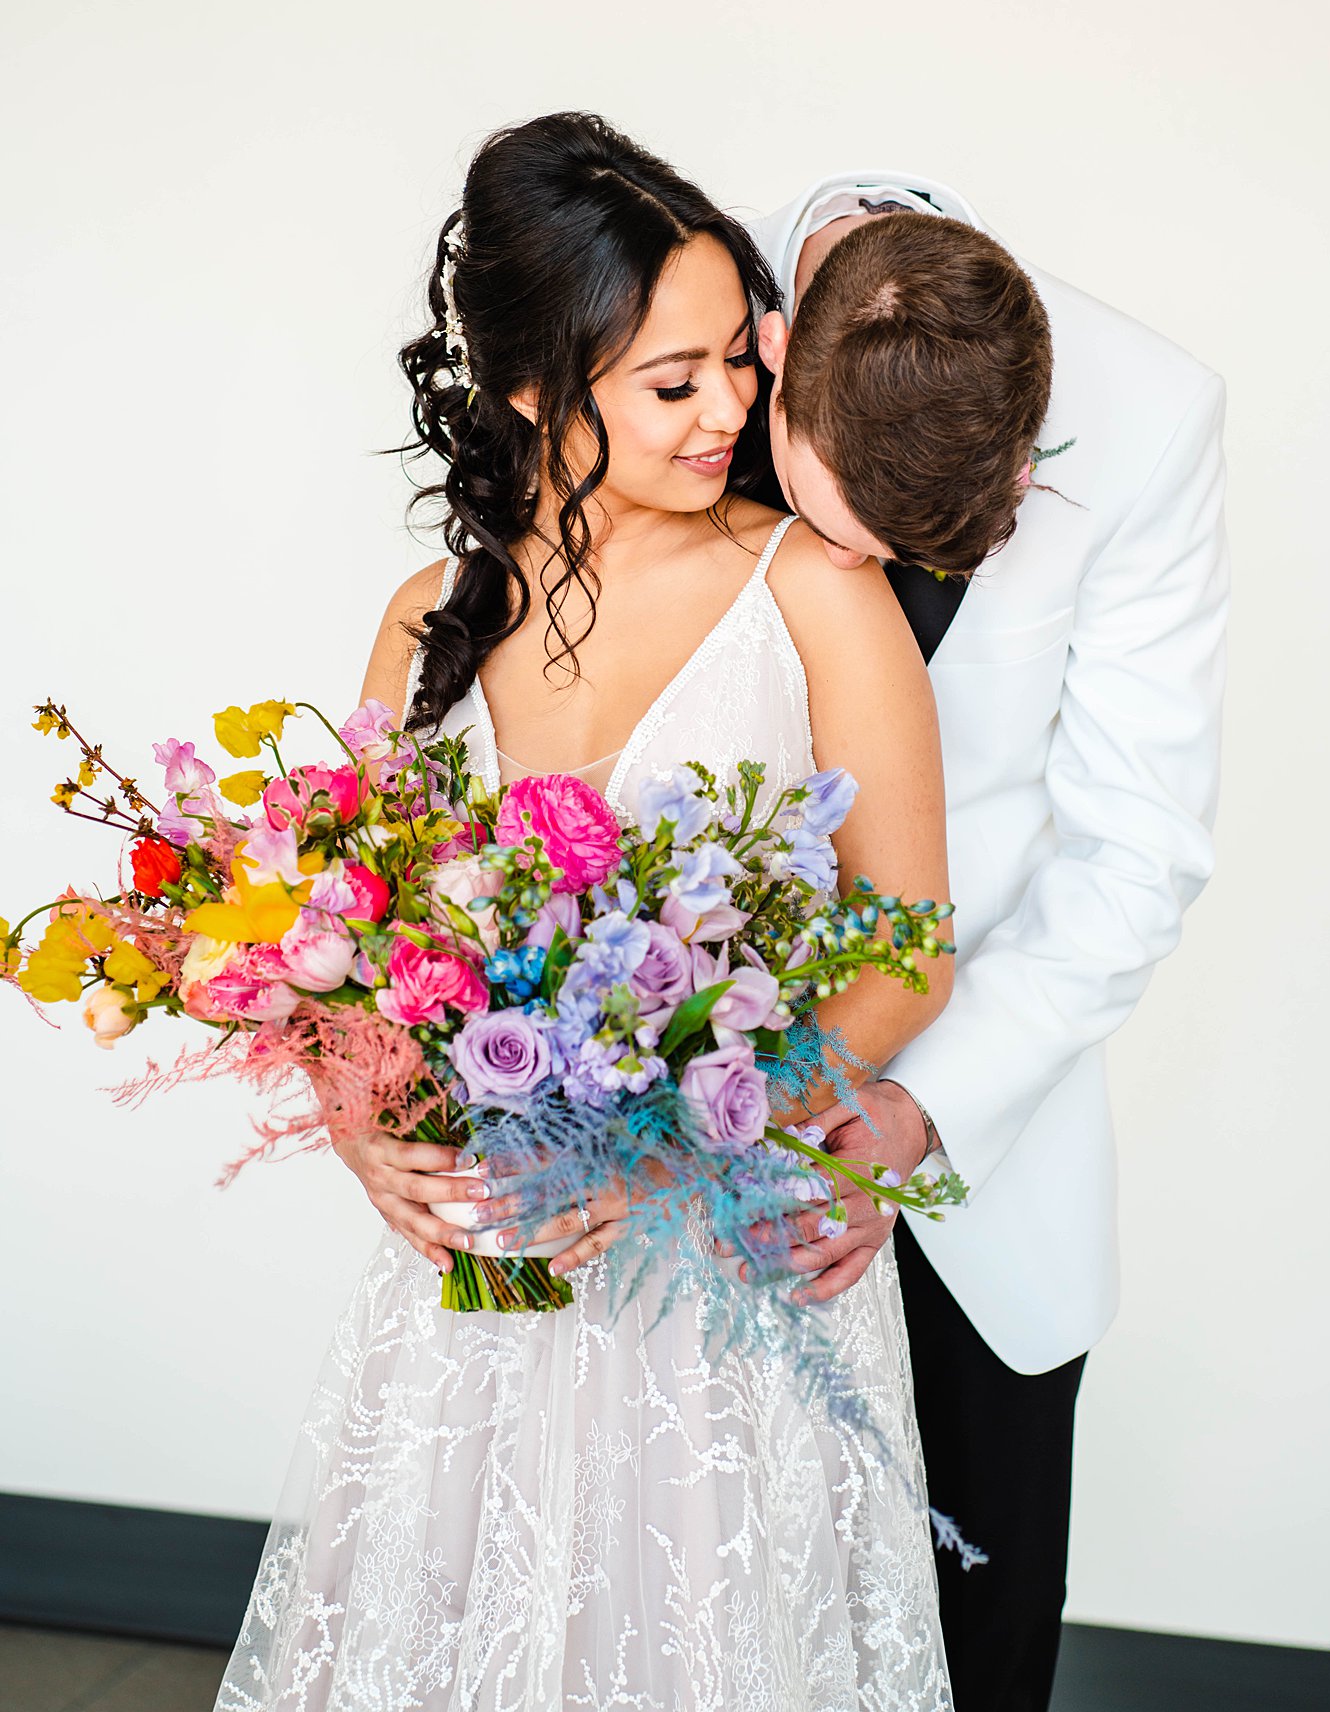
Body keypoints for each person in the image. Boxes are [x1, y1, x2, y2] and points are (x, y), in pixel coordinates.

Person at [215, 114, 957, 1712]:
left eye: (736, 367)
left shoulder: (811, 591)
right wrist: (363, 1123)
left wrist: (690, 1140)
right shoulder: (428, 617)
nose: (733, 415)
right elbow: (348, 940)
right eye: (672, 384)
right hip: (487, 1283)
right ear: (538, 393)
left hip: (720, 1271)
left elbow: (907, 943)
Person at [743, 173, 1229, 1712]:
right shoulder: (689, 315)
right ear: (770, 360)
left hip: (977, 1160)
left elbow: (1132, 847)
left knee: (976, 1661)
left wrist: (904, 1102)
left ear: (1025, 457)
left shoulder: (1153, 414)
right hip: (675, 1138)